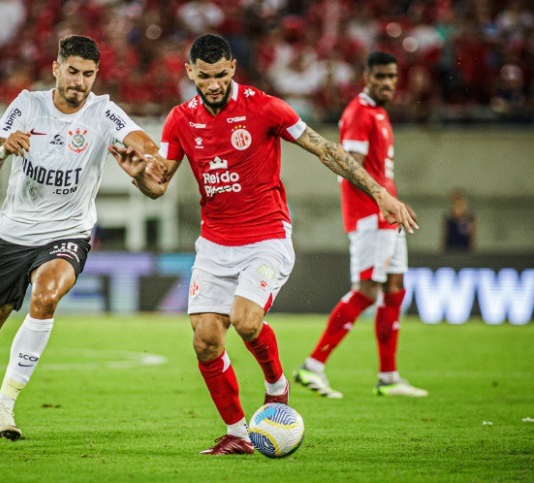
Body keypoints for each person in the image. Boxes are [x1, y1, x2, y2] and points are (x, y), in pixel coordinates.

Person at [110, 35, 417, 455]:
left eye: (221, 75)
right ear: (190, 73)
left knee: (247, 321)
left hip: (266, 237)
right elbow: (158, 185)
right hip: (215, 244)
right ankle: (237, 434)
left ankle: (277, 387)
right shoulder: (180, 119)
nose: (214, 84)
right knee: (204, 340)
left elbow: (326, 150)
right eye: (205, 76)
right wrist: (138, 176)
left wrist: (379, 192)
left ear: (233, 68)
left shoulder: (265, 107)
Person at [0, 35, 166, 445]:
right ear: (56, 68)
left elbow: (146, 147)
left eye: (89, 74)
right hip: (13, 237)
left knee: (46, 296)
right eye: (73, 71)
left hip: (69, 233)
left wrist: (146, 163)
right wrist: (3, 151)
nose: (80, 81)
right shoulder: (27, 105)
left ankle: (5, 406)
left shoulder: (103, 113)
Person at [293, 52, 428, 399]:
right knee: (368, 290)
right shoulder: (358, 113)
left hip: (388, 215)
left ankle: (388, 376)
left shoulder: (379, 113)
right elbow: (349, 168)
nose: (387, 82)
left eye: (392, 76)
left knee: (395, 287)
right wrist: (383, 200)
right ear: (366, 76)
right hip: (371, 216)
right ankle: (313, 366)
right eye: (380, 76)